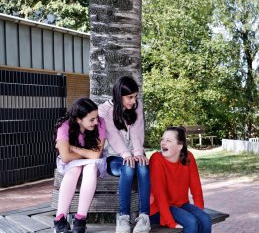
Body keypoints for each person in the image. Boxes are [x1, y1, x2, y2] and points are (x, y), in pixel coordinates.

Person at [98, 76, 151, 233]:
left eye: (135, 96)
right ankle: (123, 217)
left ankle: (144, 217)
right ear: (119, 95)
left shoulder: (136, 107)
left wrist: (138, 153)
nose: (133, 101)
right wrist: (126, 154)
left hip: (132, 154)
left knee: (143, 165)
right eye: (130, 97)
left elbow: (137, 132)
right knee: (127, 168)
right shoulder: (104, 110)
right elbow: (112, 134)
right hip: (113, 156)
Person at [53, 98, 106, 233]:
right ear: (78, 119)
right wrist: (88, 153)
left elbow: (96, 156)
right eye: (91, 119)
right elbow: (65, 157)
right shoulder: (64, 126)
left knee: (91, 167)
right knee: (75, 168)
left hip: (92, 162)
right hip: (71, 163)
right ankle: (60, 218)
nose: (96, 122)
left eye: (96, 117)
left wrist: (74, 149)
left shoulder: (100, 123)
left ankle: (80, 219)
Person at [149, 127, 211, 233]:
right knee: (191, 222)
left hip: (181, 205)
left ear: (179, 146)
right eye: (162, 139)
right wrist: (170, 222)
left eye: (168, 140)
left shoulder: (188, 157)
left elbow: (196, 186)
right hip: (158, 209)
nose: (163, 143)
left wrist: (199, 210)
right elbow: (159, 194)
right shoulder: (156, 159)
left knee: (205, 219)